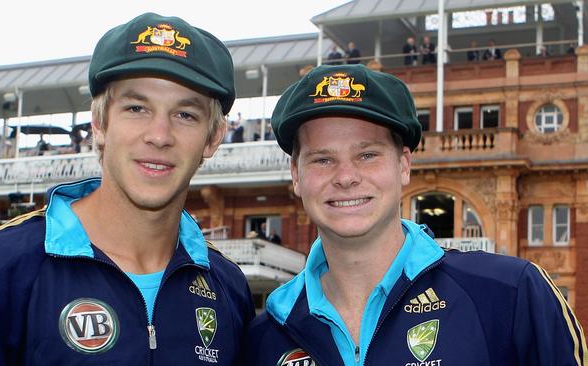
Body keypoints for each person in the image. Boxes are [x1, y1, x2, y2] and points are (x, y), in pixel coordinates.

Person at [0, 12, 254, 365]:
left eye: (185, 115)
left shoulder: (228, 287)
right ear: (100, 124)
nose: (159, 135)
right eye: (136, 108)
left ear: (212, 138)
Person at [241, 64, 586, 365]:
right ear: (297, 176)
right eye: (322, 159)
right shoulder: (266, 336)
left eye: (367, 155)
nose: (345, 177)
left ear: (404, 165)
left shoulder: (509, 295)